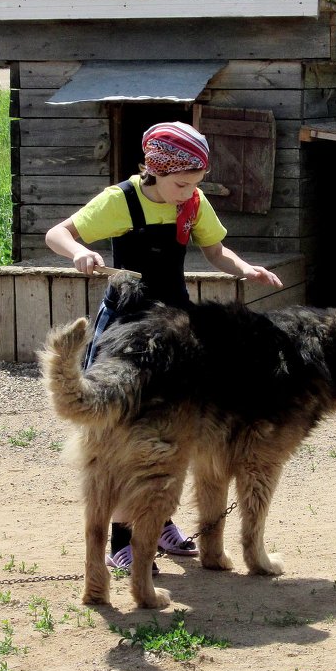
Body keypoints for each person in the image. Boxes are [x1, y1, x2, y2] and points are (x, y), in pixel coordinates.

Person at [45, 120, 283, 572]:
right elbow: (58, 234)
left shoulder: (191, 201)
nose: (188, 191)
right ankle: (122, 540)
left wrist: (244, 268)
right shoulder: (121, 201)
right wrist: (77, 253)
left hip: (175, 327)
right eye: (181, 183)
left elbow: (216, 251)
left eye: (194, 183)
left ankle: (161, 523)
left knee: (176, 428)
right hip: (126, 327)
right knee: (124, 430)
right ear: (155, 170)